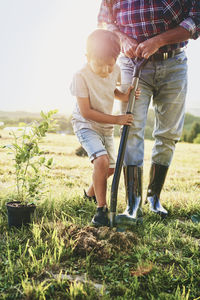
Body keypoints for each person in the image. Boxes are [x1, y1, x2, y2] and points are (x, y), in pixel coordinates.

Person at [98, 0, 200, 222]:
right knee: (131, 128)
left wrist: (159, 41)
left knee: (168, 133)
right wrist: (122, 39)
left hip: (173, 63)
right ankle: (133, 204)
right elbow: (106, 21)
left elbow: (196, 19)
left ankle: (154, 198)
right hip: (131, 63)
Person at [70, 29, 140, 227]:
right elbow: (87, 112)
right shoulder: (80, 76)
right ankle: (101, 210)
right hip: (87, 125)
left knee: (110, 168)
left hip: (106, 127)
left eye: (110, 64)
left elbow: (113, 90)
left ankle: (90, 194)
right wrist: (117, 119)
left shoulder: (114, 69)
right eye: (100, 65)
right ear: (87, 57)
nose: (105, 70)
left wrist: (125, 96)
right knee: (101, 161)